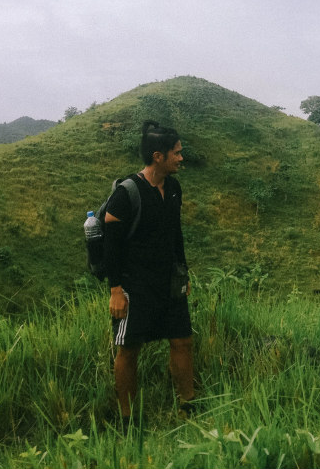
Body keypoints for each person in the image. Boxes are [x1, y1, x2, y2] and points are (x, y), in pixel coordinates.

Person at [104, 120, 194, 425]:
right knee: (128, 350)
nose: (181, 158)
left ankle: (189, 407)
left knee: (182, 341)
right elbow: (111, 244)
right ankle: (127, 419)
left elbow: (175, 234)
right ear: (158, 156)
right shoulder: (127, 193)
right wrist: (116, 289)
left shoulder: (173, 188)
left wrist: (185, 274)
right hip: (135, 285)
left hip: (169, 282)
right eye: (177, 153)